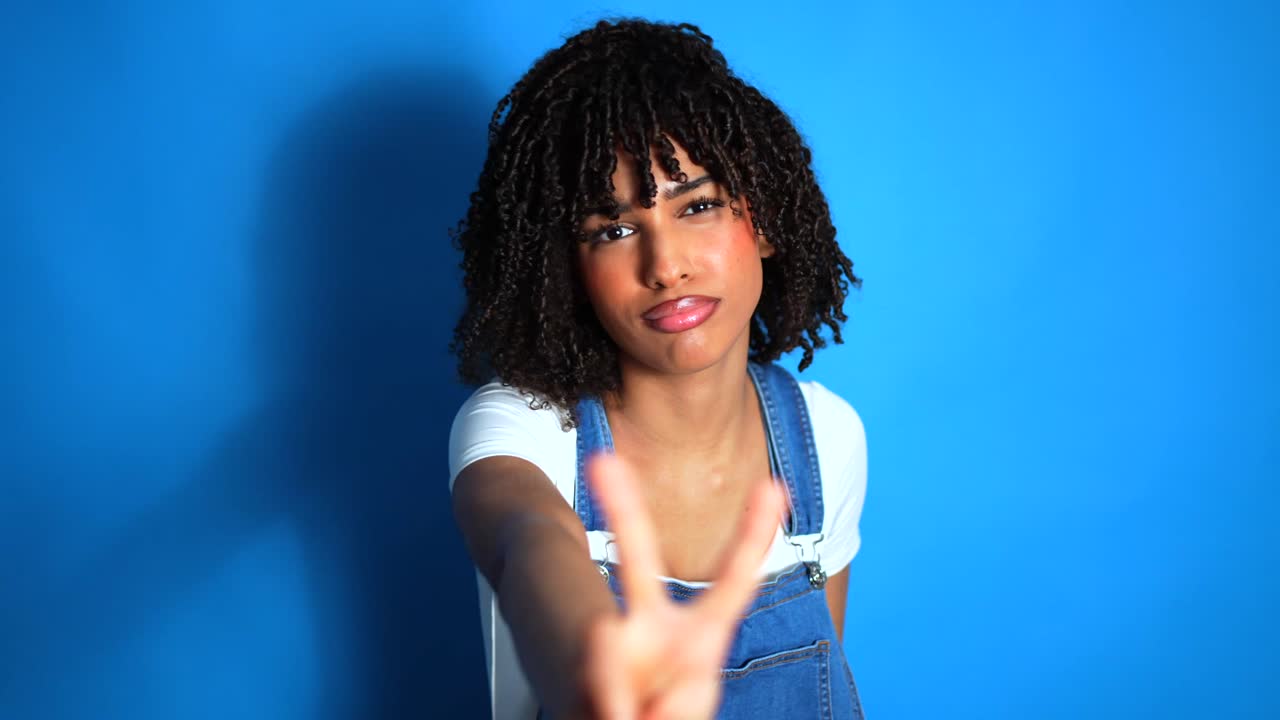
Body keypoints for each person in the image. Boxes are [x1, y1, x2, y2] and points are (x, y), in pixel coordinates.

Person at [448, 18, 868, 720]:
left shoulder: (828, 437)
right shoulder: (523, 430)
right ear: (569, 269)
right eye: (613, 230)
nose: (665, 266)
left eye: (697, 206)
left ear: (762, 221)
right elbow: (527, 543)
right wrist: (597, 663)